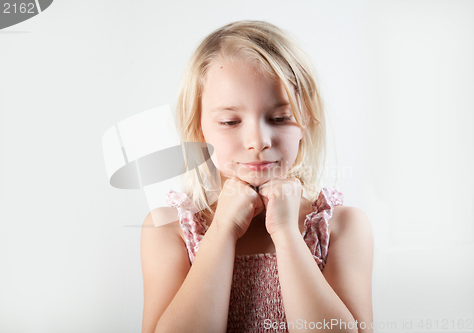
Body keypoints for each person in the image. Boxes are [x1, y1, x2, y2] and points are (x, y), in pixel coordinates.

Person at [140, 20, 373, 333]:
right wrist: (222, 230)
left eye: (279, 118)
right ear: (198, 129)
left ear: (306, 121)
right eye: (230, 121)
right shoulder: (170, 230)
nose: (258, 140)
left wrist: (287, 233)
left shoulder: (340, 226)